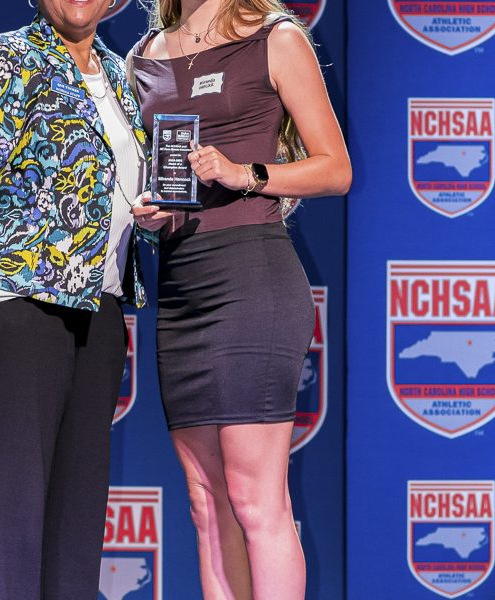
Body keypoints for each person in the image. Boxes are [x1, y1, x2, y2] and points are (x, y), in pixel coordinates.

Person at [0, 0, 149, 597]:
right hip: (16, 312)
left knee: (76, 532)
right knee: (10, 526)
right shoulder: (5, 58)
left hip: (99, 315)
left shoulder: (122, 75)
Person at [130, 1, 351, 598]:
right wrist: (152, 210)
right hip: (181, 289)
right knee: (205, 504)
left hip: (252, 279)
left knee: (255, 498)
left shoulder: (275, 37)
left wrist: (246, 174)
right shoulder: (145, 54)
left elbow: (335, 170)